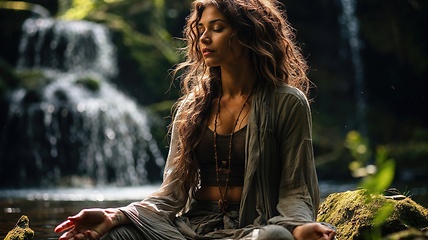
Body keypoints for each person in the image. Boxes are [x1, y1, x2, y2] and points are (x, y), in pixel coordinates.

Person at [54, 0, 337, 239]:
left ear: (249, 34)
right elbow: (171, 192)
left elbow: (295, 188)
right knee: (113, 235)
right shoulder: (192, 106)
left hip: (256, 227)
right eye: (200, 29)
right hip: (189, 228)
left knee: (275, 237)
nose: (203, 38)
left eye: (217, 28)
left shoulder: (286, 102)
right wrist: (115, 215)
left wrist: (298, 227)